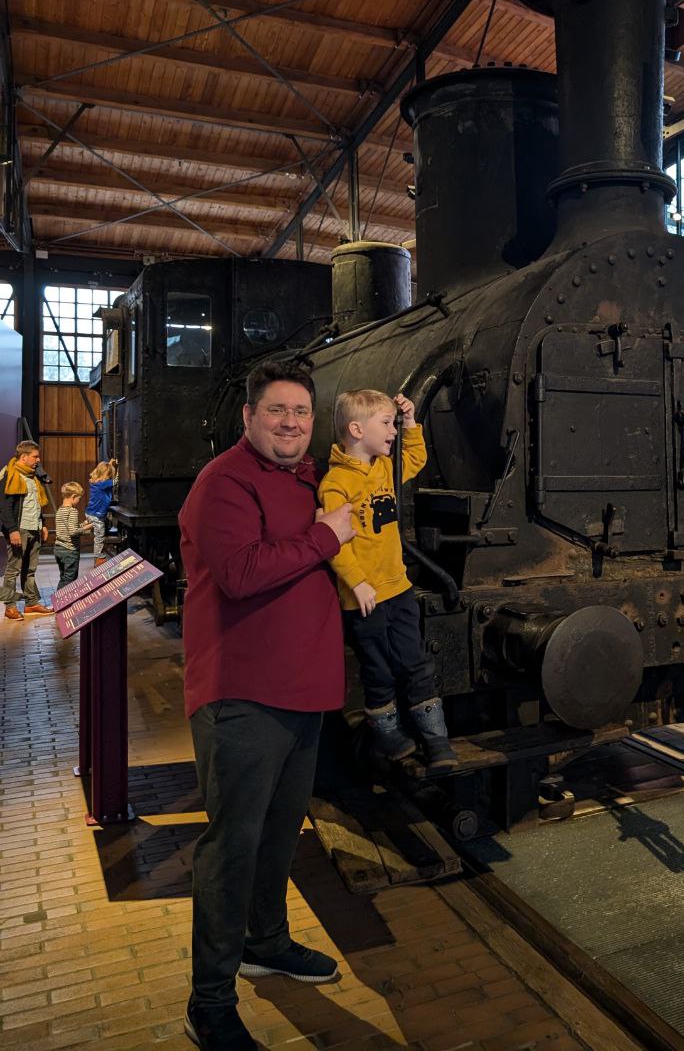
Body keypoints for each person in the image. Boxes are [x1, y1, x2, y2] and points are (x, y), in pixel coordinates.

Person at [178, 360, 355, 1051]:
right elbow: (242, 571)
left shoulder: (308, 476)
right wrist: (325, 536)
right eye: (278, 411)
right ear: (248, 416)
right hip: (241, 694)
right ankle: (210, 1001)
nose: (291, 423)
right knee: (232, 847)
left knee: (280, 835)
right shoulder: (223, 481)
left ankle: (267, 941)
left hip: (302, 689)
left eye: (301, 413)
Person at [320, 389, 457, 768]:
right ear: (356, 429)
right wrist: (358, 582)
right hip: (365, 597)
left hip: (398, 587)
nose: (393, 431)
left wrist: (412, 423)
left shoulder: (384, 468)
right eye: (386, 424)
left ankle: (436, 739)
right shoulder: (336, 485)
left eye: (394, 424)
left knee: (415, 663)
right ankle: (387, 735)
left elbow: (416, 457)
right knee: (378, 670)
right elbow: (335, 542)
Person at [1, 440, 51, 621]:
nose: (38, 460)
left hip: (34, 527)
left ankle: (31, 603)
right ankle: (10, 607)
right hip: (19, 529)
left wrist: (43, 523)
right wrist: (12, 530)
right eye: (35, 456)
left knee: (30, 569)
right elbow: (5, 507)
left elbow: (36, 503)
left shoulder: (33, 475)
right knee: (13, 569)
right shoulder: (10, 474)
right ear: (24, 457)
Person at [54, 482, 92, 591]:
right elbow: (73, 532)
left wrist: (84, 524)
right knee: (70, 579)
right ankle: (61, 603)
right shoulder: (73, 511)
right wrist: (88, 527)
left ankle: (62, 602)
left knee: (64, 577)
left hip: (58, 549)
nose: (79, 501)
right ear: (73, 497)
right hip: (70, 550)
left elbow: (69, 528)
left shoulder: (60, 510)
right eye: (79, 498)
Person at [85, 458, 117, 560]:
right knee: (99, 537)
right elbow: (116, 481)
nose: (110, 478)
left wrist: (110, 464)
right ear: (105, 475)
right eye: (109, 476)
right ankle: (98, 555)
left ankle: (87, 526)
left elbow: (101, 469)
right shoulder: (103, 484)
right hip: (97, 515)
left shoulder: (95, 483)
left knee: (98, 532)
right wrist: (118, 469)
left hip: (90, 513)